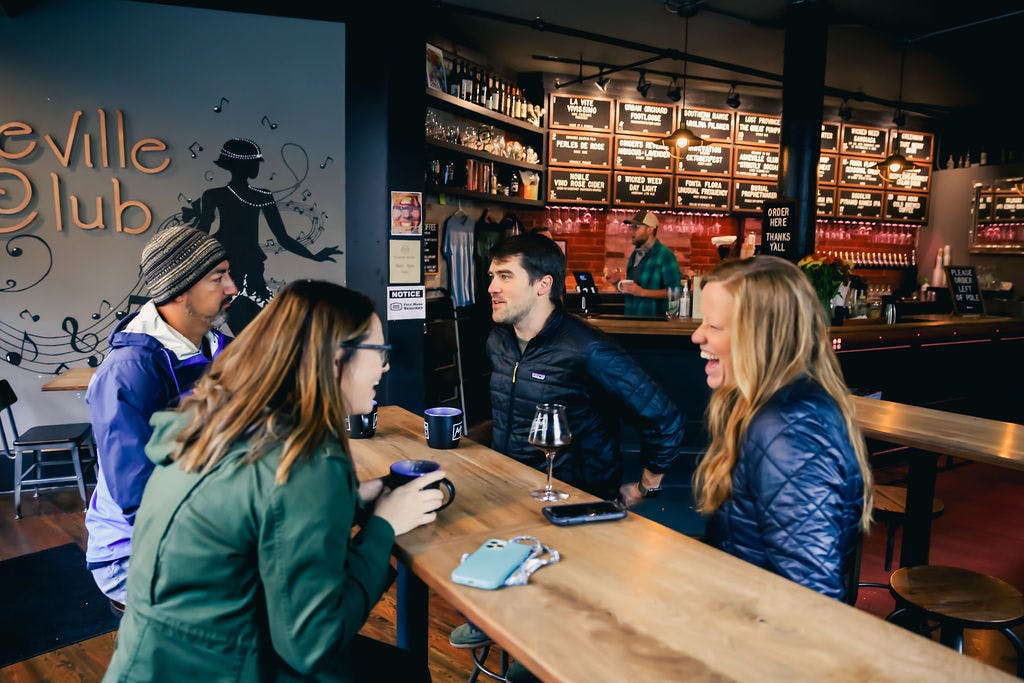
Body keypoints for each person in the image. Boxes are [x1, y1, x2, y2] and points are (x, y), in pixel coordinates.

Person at [102, 280, 443, 682]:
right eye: (379, 352)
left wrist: (350, 502)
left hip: (155, 660)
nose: (386, 366)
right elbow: (313, 644)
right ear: (336, 359)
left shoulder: (221, 421)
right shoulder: (303, 460)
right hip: (226, 668)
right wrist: (383, 527)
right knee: (404, 673)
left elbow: (250, 514)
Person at [450, 233, 685, 677]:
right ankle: (505, 625)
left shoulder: (587, 349)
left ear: (543, 285)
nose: (491, 288)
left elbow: (664, 416)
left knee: (556, 642)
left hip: (575, 508)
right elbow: (507, 412)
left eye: (504, 276)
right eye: (490, 277)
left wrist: (647, 484)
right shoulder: (498, 342)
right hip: (514, 500)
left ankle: (529, 650)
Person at [690, 255, 873, 600]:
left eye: (713, 327)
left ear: (760, 335)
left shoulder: (789, 426)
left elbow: (812, 595)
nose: (697, 336)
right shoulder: (772, 409)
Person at [85, 225, 237, 611]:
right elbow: (138, 496)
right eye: (218, 277)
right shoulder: (130, 370)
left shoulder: (217, 346)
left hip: (197, 524)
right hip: (133, 556)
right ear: (180, 288)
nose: (232, 287)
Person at [190, 138, 342, 332]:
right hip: (226, 264)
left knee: (259, 329)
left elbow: (282, 237)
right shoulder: (215, 194)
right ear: (240, 164)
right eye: (254, 162)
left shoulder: (262, 195)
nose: (257, 166)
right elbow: (202, 233)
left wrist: (314, 256)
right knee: (239, 326)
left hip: (252, 267)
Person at [608, 210, 682, 317]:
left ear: (650, 229)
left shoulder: (665, 255)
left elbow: (677, 292)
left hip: (654, 323)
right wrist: (616, 283)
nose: (632, 231)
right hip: (631, 320)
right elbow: (633, 291)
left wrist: (643, 292)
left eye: (636, 227)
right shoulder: (635, 254)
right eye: (631, 227)